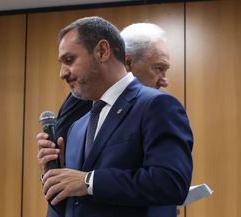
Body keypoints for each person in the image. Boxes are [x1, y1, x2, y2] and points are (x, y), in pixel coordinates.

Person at [37, 16, 193, 217]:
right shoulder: (77, 127)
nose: (62, 73)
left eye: (69, 60)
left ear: (102, 51)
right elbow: (70, 206)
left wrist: (89, 182)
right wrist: (53, 177)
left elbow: (171, 182)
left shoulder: (156, 105)